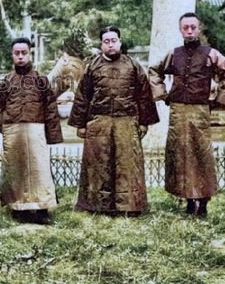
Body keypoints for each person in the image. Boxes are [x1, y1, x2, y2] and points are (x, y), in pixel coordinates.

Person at [149, 12, 225, 217]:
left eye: (193, 27)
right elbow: (154, 71)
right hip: (178, 111)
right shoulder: (174, 54)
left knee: (201, 154)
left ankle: (204, 201)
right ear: (180, 29)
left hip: (200, 111)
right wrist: (163, 94)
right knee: (180, 153)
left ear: (199, 29)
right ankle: (188, 200)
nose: (189, 31)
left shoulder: (211, 54)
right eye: (185, 27)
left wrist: (219, 100)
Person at [68, 26, 159, 216]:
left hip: (126, 121)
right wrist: (80, 124)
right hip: (99, 121)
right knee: (98, 164)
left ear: (120, 41)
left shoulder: (133, 66)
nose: (110, 44)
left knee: (127, 164)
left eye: (114, 40)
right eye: (106, 41)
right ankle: (97, 206)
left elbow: (144, 95)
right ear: (101, 45)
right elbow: (82, 96)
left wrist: (144, 122)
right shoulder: (92, 66)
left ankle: (129, 206)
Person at [0, 37, 62, 223]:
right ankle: (17, 207)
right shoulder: (7, 81)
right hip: (13, 130)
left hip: (36, 129)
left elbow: (50, 107)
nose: (21, 57)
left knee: (39, 168)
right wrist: (5, 126)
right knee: (15, 169)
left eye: (24, 53)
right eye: (17, 53)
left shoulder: (40, 80)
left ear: (30, 54)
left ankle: (41, 209)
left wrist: (51, 134)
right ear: (12, 55)